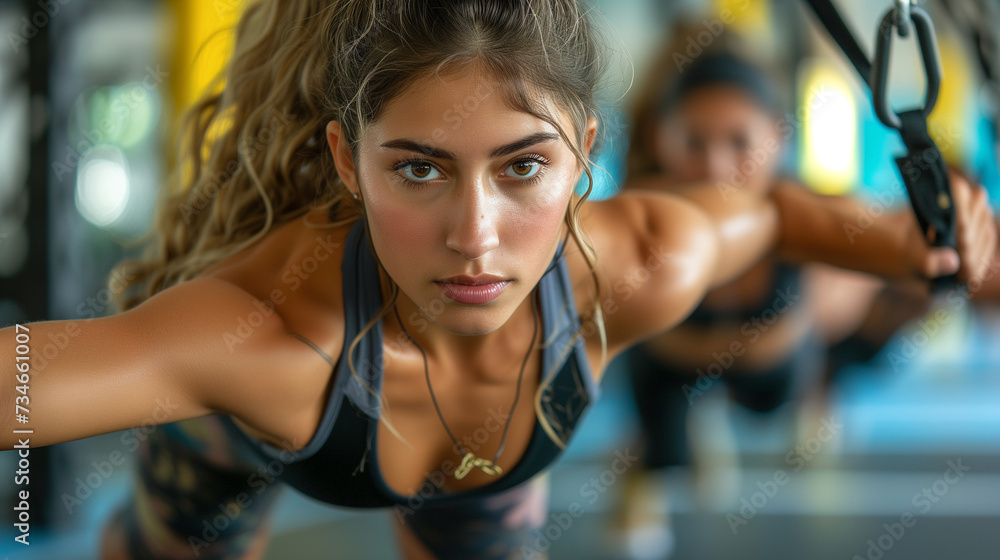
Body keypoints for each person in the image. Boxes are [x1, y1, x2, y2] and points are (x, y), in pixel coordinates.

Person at [1, 2, 994, 559]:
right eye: (419, 168)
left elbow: (775, 209)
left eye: (522, 166)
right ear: (350, 163)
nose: (474, 237)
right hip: (246, 444)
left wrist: (912, 239)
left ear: (585, 159)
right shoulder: (259, 337)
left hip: (483, 471)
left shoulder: (635, 259)